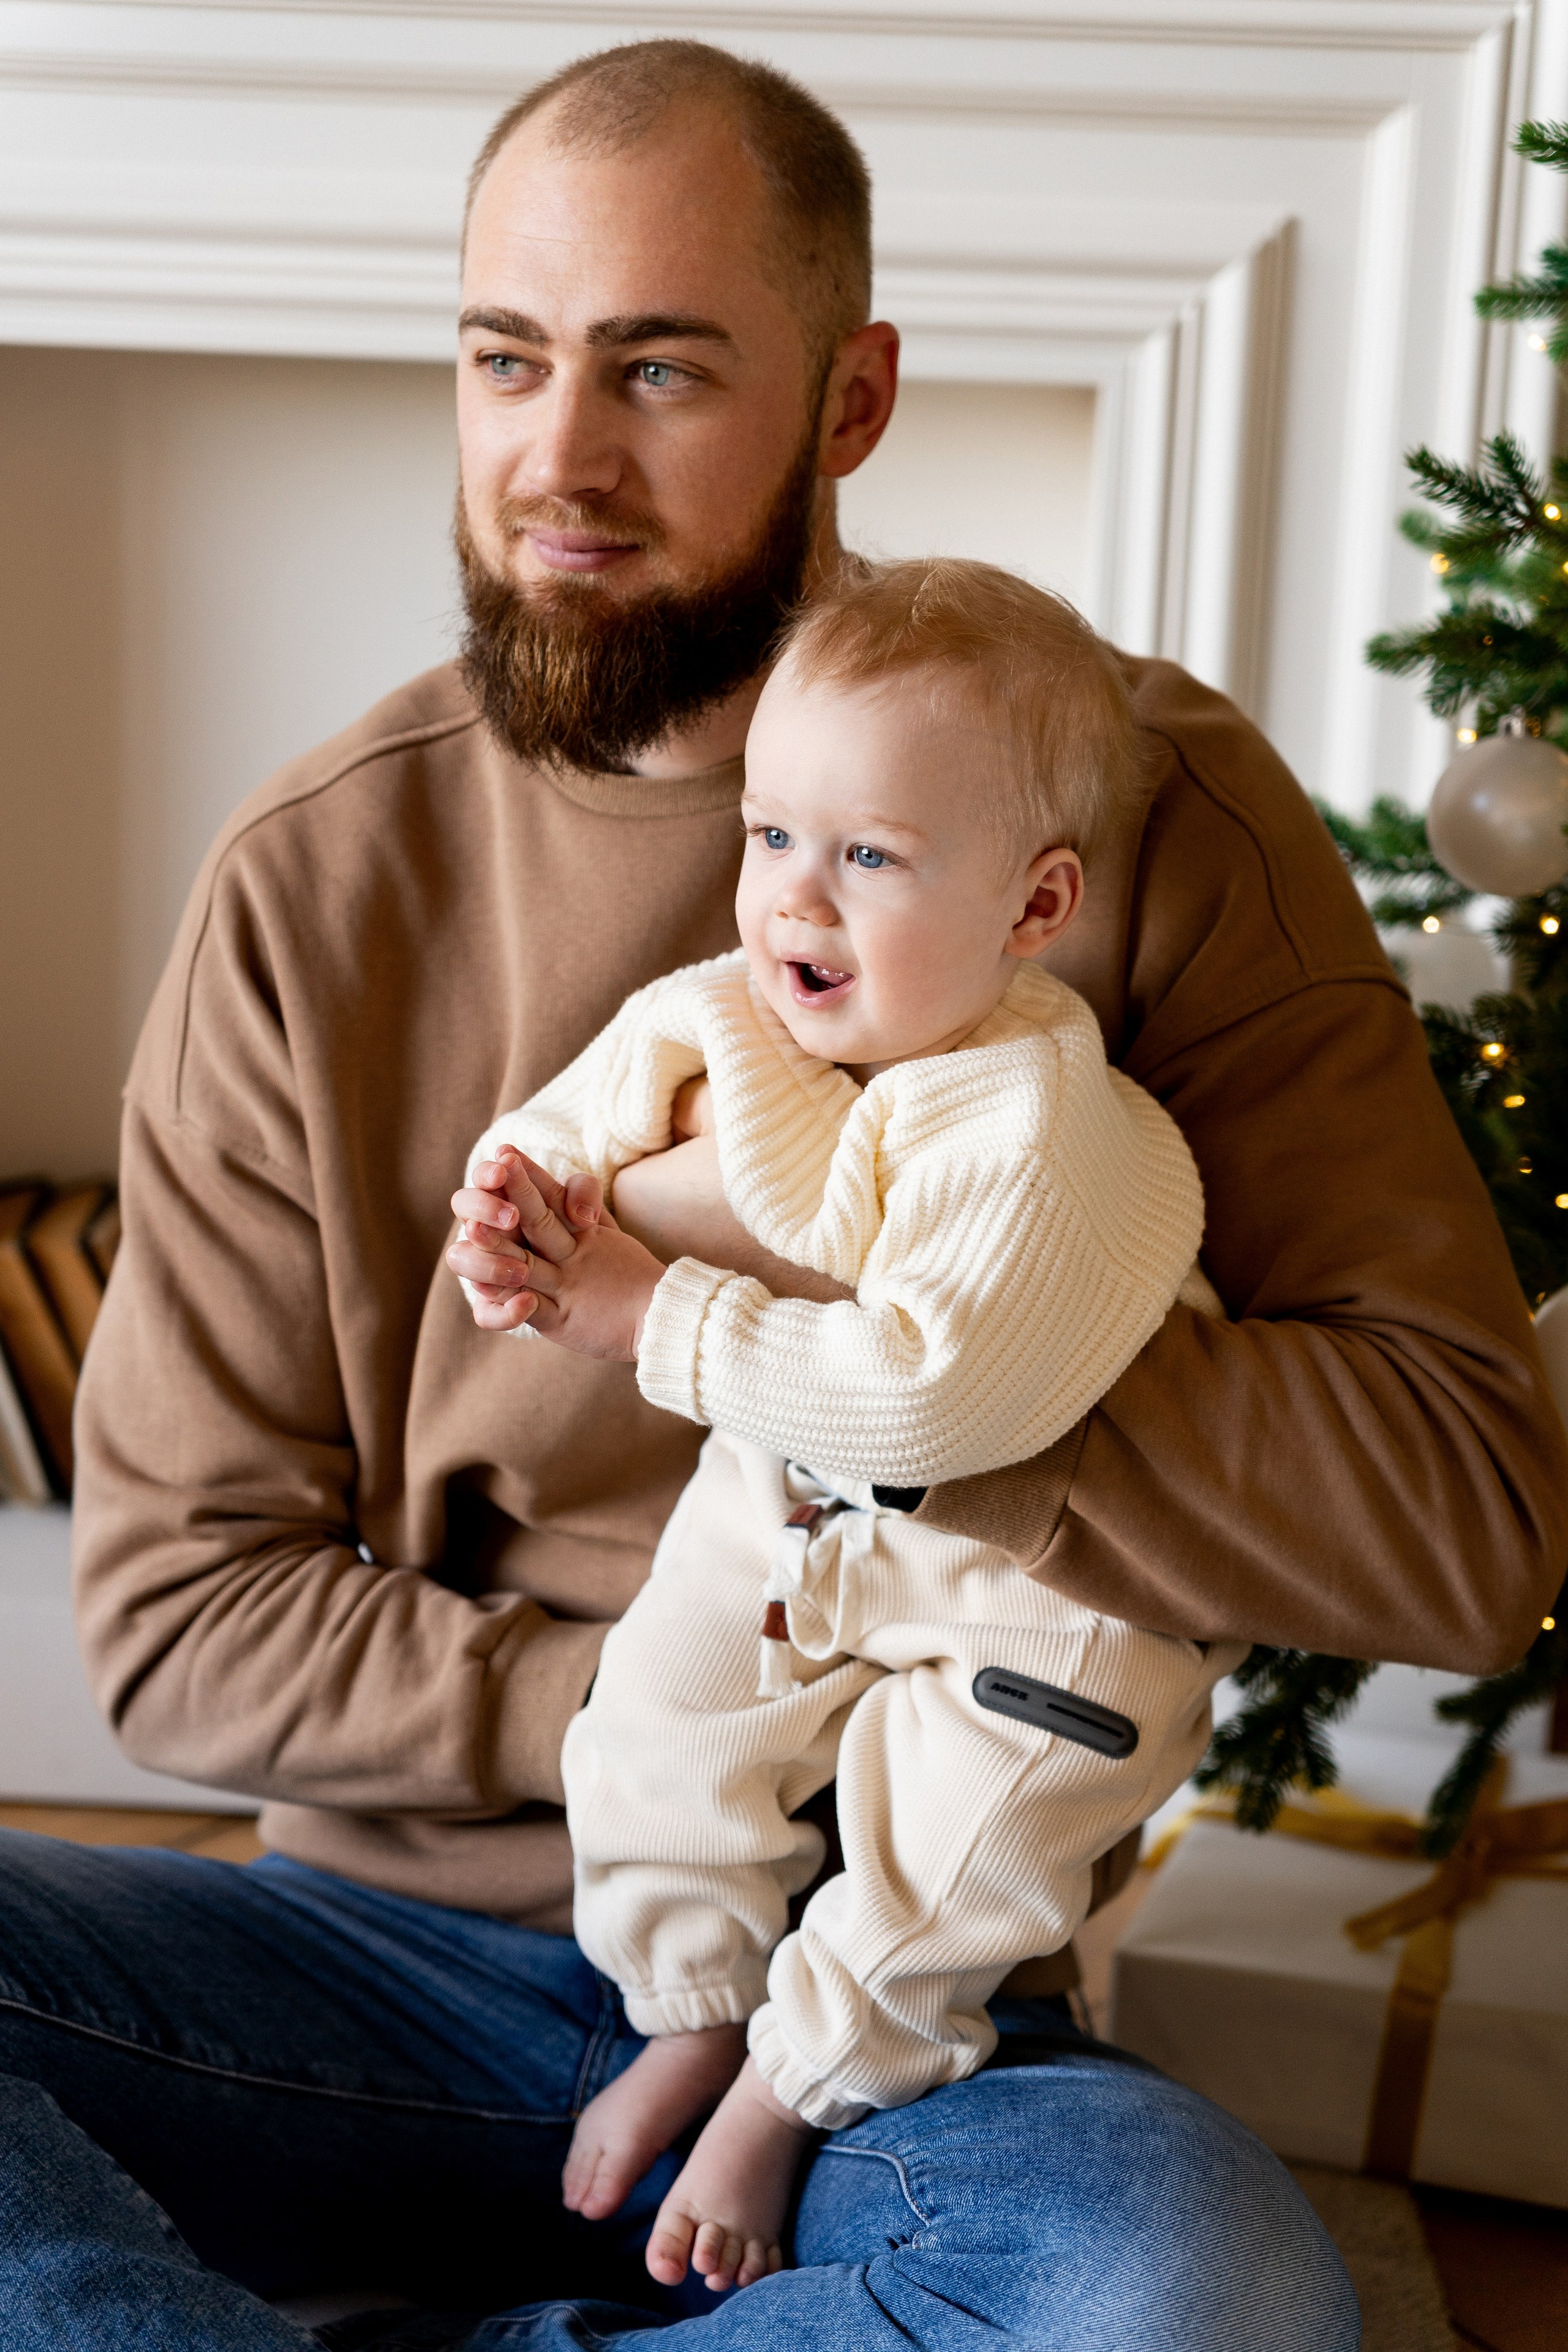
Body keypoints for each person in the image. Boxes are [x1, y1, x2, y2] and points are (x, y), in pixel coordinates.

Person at [0, 31, 1555, 2351]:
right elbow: (167, 1619)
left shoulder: (1132, 815)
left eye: (661, 370)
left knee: (1195, 2302)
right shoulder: (316, 884)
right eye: (507, 358)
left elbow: (1459, 1519)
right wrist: (675, 1711)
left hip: (900, 2012)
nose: (559, 457)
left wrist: (896, 1363)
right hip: (369, 1971)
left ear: (851, 400)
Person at [451, 556, 1247, 2296]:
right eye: (772, 839)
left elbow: (934, 1397)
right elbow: (573, 1123)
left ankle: (791, 2084)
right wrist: (516, 1210)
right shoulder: (729, 1012)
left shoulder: (1038, 1125)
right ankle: (687, 2002)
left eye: (871, 858)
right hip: (802, 1507)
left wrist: (645, 1308)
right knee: (654, 1723)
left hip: (1040, 1588)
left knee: (954, 1848)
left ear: (1035, 908)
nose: (797, 902)